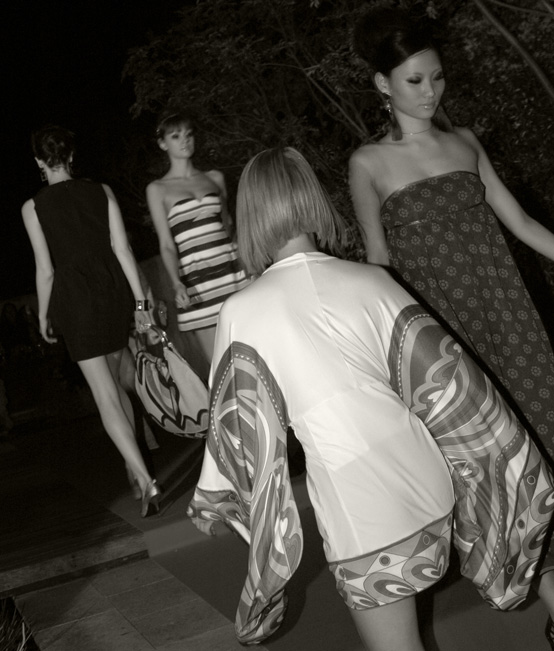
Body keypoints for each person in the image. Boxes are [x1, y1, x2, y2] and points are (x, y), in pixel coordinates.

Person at [187, 147, 554, 650]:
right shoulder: (373, 281)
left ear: (247, 214)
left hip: (360, 505)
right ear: (312, 198)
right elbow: (453, 384)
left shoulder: (241, 312)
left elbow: (238, 431)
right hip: (429, 484)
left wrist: (216, 501)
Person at [349, 7, 554, 464]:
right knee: (479, 449)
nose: (430, 91)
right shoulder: (368, 163)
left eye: (437, 77)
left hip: (505, 305)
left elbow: (521, 223)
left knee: (540, 415)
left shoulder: (464, 142)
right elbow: (377, 261)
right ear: (384, 83)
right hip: (437, 323)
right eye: (414, 80)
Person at [21, 125, 161, 517]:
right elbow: (123, 250)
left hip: (76, 301)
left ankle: (145, 478)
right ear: (71, 156)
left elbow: (45, 270)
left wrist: (44, 315)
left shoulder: (33, 208)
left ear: (39, 161)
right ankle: (138, 473)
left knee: (104, 395)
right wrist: (139, 301)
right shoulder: (102, 191)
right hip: (112, 293)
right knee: (116, 386)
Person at [146, 111, 250, 377]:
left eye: (189, 134)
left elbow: (228, 227)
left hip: (232, 275)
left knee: (254, 354)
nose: (185, 140)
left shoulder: (214, 178)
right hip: (197, 283)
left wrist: (248, 261)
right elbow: (166, 244)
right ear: (162, 143)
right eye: (175, 136)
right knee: (221, 368)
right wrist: (176, 283)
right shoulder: (158, 189)